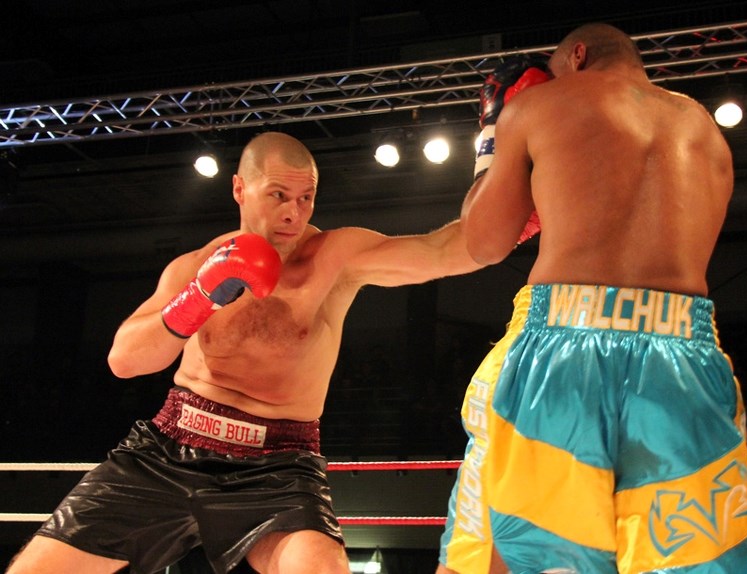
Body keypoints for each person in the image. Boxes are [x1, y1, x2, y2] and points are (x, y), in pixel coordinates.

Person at [7, 131, 485, 574]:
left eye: (305, 198)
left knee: (320, 568)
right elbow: (124, 360)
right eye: (278, 195)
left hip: (277, 463)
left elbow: (446, 250)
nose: (293, 214)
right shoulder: (196, 265)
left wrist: (507, 172)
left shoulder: (335, 258)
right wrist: (200, 295)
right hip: (170, 448)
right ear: (239, 189)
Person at [437, 23, 747, 574]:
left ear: (576, 56)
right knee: (703, 559)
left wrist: (490, 141)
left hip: (564, 345)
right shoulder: (704, 130)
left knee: (527, 553)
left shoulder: (542, 105)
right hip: (684, 353)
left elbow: (482, 243)